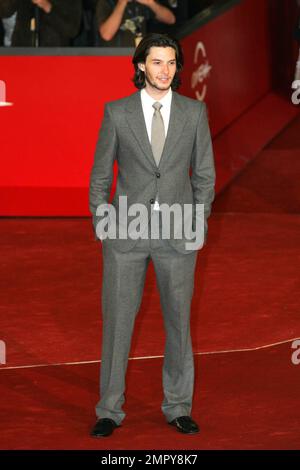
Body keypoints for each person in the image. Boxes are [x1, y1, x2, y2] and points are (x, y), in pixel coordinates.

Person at [89, 33, 215, 437]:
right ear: (141, 65)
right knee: (117, 324)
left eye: (172, 63)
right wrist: (103, 225)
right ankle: (108, 409)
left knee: (179, 323)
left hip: (177, 236)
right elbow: (100, 178)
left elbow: (205, 177)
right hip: (125, 233)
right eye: (157, 62)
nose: (166, 70)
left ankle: (178, 405)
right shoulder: (116, 112)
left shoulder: (194, 113)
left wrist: (197, 223)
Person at [0, 0, 81, 47]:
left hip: (53, 56)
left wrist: (47, 7)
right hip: (22, 52)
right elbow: (4, 12)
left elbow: (72, 30)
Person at [96, 0, 175, 47]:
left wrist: (150, 3)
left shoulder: (141, 3)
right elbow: (106, 35)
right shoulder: (107, 2)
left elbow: (170, 19)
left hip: (140, 56)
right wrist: (122, 2)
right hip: (117, 57)